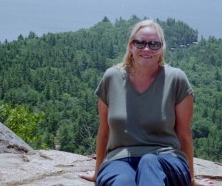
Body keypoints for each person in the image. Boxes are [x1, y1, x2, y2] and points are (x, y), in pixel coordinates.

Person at [79, 19, 214, 186]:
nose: (147, 49)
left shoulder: (176, 79)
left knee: (149, 162)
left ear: (162, 48)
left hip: (167, 159)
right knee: (122, 181)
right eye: (140, 43)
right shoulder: (111, 78)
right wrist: (97, 172)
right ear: (130, 47)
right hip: (119, 160)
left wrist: (191, 180)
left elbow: (184, 134)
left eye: (154, 44)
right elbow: (104, 131)